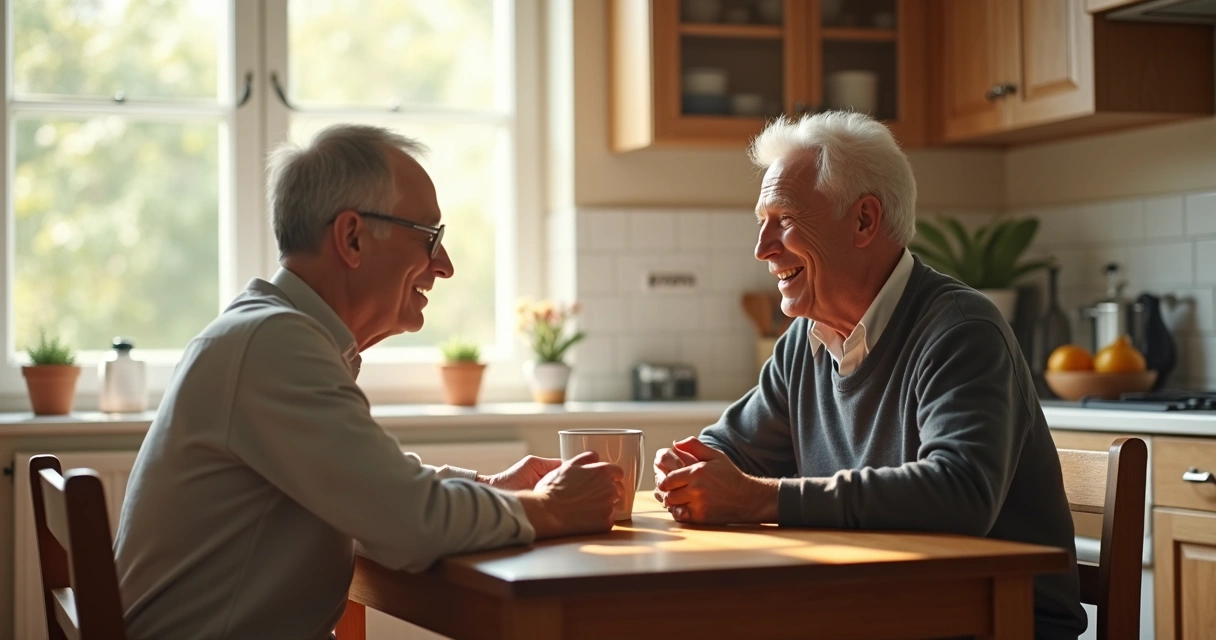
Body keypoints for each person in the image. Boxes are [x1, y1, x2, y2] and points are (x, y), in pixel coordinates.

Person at [113, 124, 623, 640]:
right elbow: (409, 522)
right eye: (430, 238)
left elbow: (372, 486)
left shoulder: (269, 334)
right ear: (352, 237)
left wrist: (490, 487)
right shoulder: (274, 343)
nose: (443, 266)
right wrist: (553, 508)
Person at [653, 111, 1086, 638]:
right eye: (761, 222)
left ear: (864, 220)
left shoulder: (961, 329)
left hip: (995, 621)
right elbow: (730, 448)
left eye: (784, 219)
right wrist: (688, 467)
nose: (762, 248)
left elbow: (959, 493)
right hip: (877, 610)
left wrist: (757, 497)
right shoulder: (803, 342)